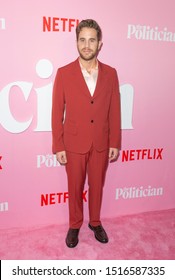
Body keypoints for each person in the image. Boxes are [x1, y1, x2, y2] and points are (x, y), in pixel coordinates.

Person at [52, 19, 121, 248]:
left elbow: (114, 110)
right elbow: (56, 113)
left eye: (92, 40)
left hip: (101, 141)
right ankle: (74, 225)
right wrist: (58, 145)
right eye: (82, 40)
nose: (87, 45)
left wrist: (115, 142)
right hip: (73, 142)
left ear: (100, 44)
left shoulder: (111, 74)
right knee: (75, 186)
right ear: (76, 42)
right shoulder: (63, 73)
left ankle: (95, 222)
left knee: (97, 184)